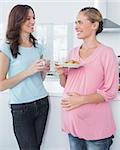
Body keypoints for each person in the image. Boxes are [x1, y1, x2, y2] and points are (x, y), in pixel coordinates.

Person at [55, 7, 118, 150]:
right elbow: (66, 84)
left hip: (95, 128)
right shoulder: (72, 53)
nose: (76, 27)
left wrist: (80, 100)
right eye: (75, 23)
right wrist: (60, 73)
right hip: (73, 126)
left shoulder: (106, 53)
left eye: (80, 22)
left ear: (94, 25)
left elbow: (110, 92)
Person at [0, 4, 50, 150]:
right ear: (17, 20)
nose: (32, 21)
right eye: (28, 18)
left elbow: (39, 79)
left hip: (42, 103)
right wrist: (28, 71)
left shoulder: (38, 46)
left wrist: (44, 70)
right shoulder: (6, 48)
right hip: (21, 108)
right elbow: (1, 85)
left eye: (33, 17)